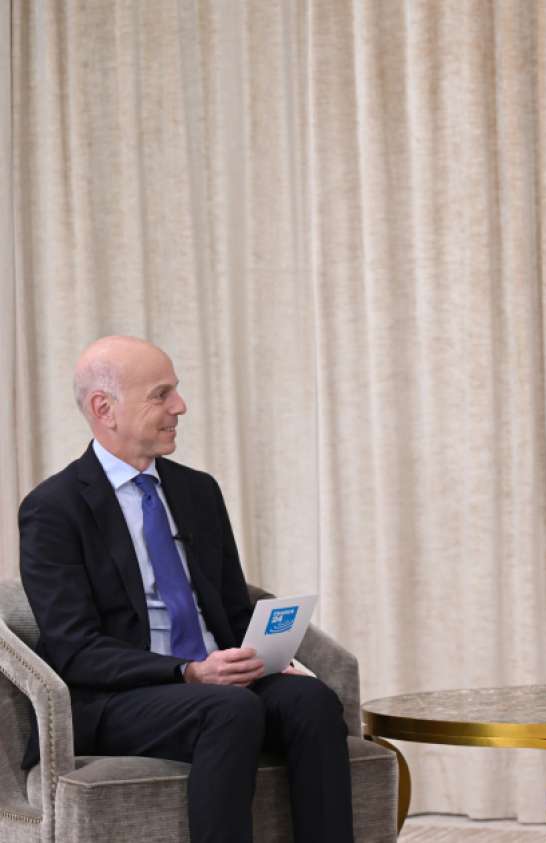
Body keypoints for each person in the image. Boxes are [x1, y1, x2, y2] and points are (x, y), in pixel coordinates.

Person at [19, 336, 355, 843]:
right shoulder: (54, 508)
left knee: (312, 700)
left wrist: (267, 655)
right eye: (161, 394)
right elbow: (74, 648)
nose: (180, 406)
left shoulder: (197, 490)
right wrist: (188, 671)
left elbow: (231, 607)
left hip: (212, 678)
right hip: (119, 697)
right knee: (231, 710)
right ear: (104, 408)